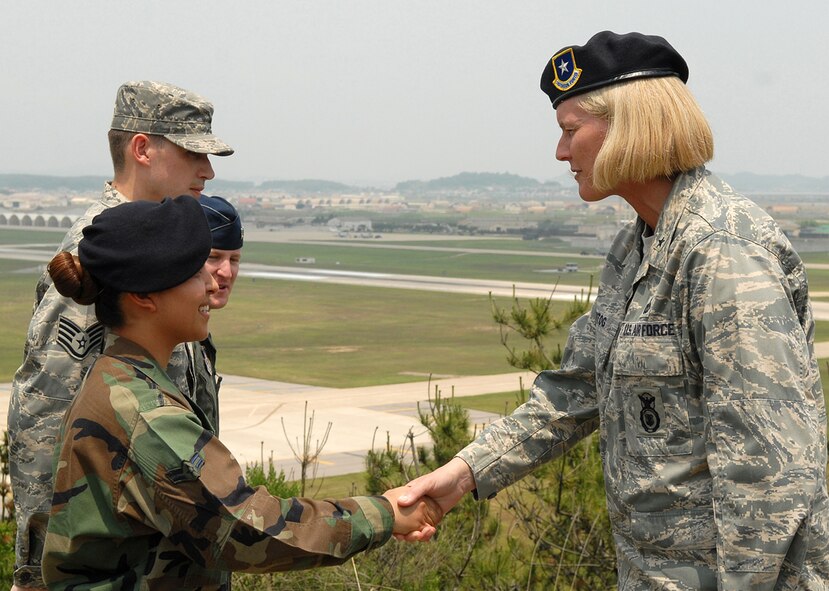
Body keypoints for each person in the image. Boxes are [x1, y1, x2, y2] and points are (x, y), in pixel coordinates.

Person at [398, 31, 829, 589]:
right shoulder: (636, 248)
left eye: (571, 131)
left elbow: (769, 473)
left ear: (629, 127)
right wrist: (463, 475)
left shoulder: (722, 253)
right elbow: (573, 392)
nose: (560, 152)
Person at [41, 196, 440, 590]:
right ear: (144, 297)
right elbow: (247, 528)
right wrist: (384, 514)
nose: (213, 282)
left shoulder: (119, 377)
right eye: (195, 273)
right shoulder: (145, 414)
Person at [8, 80, 233, 590]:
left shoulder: (155, 242)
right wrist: (39, 567)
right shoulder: (104, 252)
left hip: (163, 547)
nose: (209, 169)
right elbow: (46, 414)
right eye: (193, 150)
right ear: (142, 149)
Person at [173, 194, 245, 434]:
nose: (226, 271)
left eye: (234, 259)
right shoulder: (170, 336)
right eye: (214, 257)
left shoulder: (196, 336)